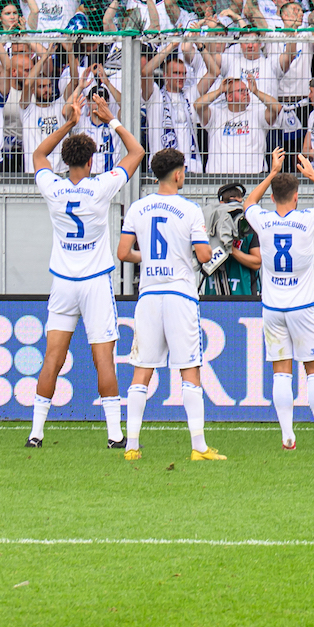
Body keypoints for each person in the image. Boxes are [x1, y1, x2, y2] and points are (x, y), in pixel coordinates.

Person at [26, 93, 143, 449]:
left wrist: (68, 122)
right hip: (94, 284)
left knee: (53, 357)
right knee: (103, 358)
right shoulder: (100, 187)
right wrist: (110, 119)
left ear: (66, 160)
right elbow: (136, 153)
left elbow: (37, 156)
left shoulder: (54, 187)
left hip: (63, 283)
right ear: (91, 162)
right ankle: (114, 434)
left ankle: (36, 432)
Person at [116, 147, 224, 462]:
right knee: (189, 370)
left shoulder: (138, 207)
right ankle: (199, 447)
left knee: (141, 372)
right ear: (177, 174)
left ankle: (132, 446)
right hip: (179, 294)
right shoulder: (189, 209)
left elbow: (124, 252)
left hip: (149, 295)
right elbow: (204, 256)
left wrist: (146, 258)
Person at [240, 149, 314, 452]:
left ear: (272, 198)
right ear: (297, 196)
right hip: (302, 308)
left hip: (273, 309)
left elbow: (248, 202)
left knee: (281, 371)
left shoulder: (263, 220)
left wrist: (272, 173)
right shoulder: (307, 219)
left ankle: (288, 436)